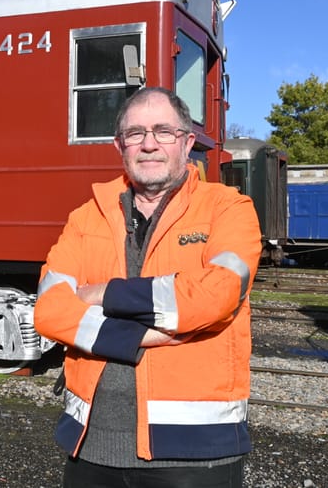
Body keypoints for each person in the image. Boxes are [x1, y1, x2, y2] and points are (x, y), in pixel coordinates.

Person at [34, 87, 261, 487]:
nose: (150, 144)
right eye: (135, 133)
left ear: (187, 142)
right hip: (90, 448)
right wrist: (138, 334)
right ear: (119, 145)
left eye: (164, 131)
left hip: (196, 456)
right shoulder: (86, 217)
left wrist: (101, 293)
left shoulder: (228, 209)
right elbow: (50, 311)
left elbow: (216, 295)